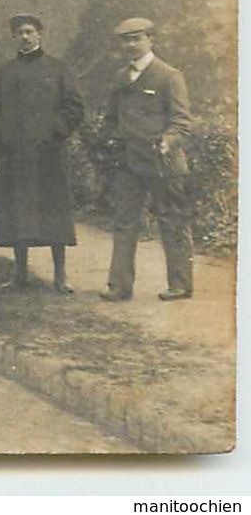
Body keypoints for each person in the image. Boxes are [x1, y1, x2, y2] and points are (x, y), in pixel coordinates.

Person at [0, 13, 84, 292]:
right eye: (19, 33)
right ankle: (20, 274)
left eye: (30, 31)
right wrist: (0, 131)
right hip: (14, 157)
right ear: (13, 37)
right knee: (17, 215)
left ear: (40, 34)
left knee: (54, 216)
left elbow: (74, 107)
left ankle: (60, 276)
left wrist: (55, 130)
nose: (25, 37)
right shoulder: (6, 71)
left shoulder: (58, 69)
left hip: (48, 156)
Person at [98, 18, 194, 303]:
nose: (129, 45)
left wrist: (168, 141)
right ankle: (119, 286)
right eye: (125, 40)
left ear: (151, 39)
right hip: (129, 162)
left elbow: (182, 122)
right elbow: (111, 119)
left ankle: (180, 285)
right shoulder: (120, 77)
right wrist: (111, 141)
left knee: (172, 220)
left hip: (163, 162)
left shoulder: (169, 76)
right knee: (124, 222)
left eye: (136, 38)